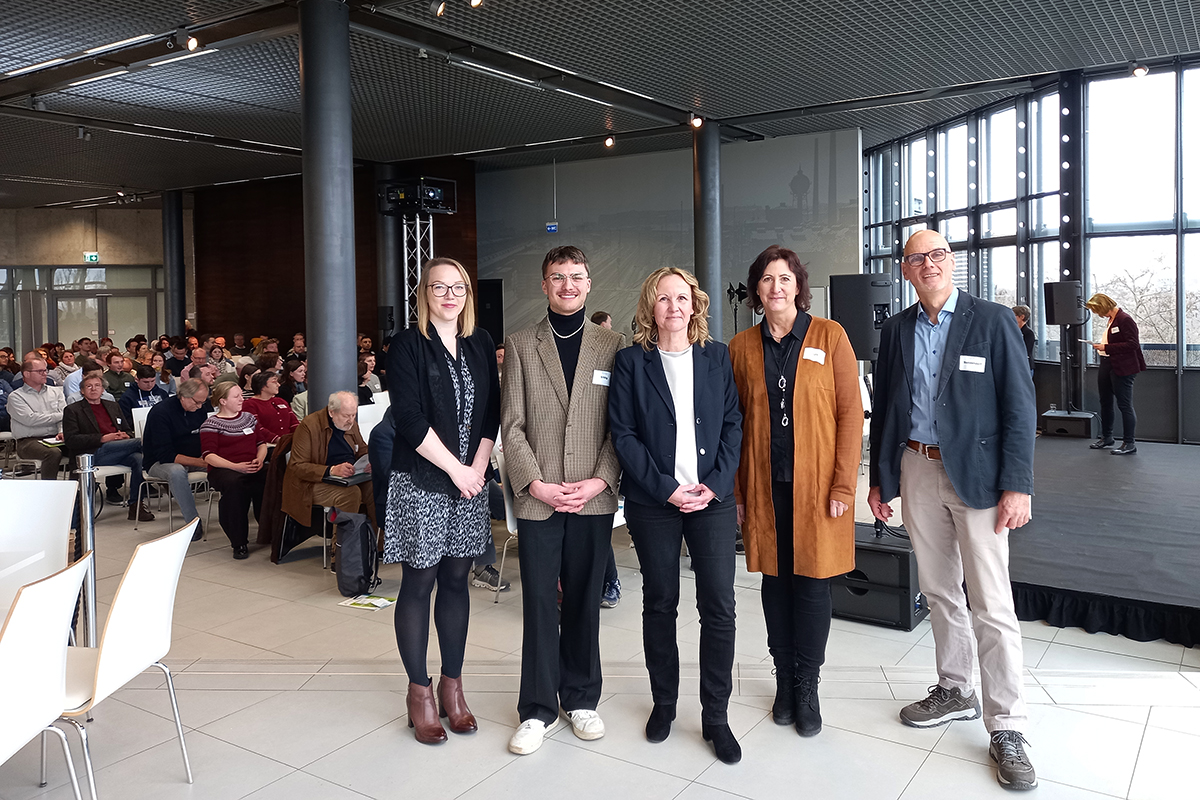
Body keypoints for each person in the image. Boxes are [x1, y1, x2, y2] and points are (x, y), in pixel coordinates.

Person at [868, 229, 1037, 791]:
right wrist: (883, 480)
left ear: (951, 263)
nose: (930, 264)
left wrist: (1018, 484)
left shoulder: (990, 321)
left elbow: (1019, 406)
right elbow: (888, 410)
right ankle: (956, 687)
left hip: (981, 478)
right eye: (919, 258)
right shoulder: (895, 330)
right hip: (917, 468)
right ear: (906, 270)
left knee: (991, 602)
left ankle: (1007, 724)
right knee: (939, 590)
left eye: (938, 254)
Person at [608, 268, 743, 763]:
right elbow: (623, 434)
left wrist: (716, 485)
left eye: (681, 298)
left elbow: (733, 424)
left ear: (695, 305)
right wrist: (666, 489)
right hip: (653, 503)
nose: (673, 306)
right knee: (661, 602)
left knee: (719, 607)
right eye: (663, 298)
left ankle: (716, 716)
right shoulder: (630, 362)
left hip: (712, 501)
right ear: (651, 306)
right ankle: (664, 704)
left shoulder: (717, 356)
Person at [729, 245, 862, 738]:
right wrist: (739, 492)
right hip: (765, 486)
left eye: (785, 278)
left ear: (799, 286)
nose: (776, 287)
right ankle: (783, 680)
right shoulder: (741, 347)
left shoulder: (830, 335)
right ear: (756, 290)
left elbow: (850, 415)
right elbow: (735, 425)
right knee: (774, 582)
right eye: (766, 279)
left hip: (818, 488)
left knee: (811, 584)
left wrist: (844, 484)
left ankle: (808, 685)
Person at [501, 245, 624, 755]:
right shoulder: (522, 344)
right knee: (537, 603)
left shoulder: (614, 345)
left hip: (593, 497)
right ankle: (536, 709)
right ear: (544, 284)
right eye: (558, 277)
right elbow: (512, 426)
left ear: (589, 283)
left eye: (576, 277)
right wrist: (536, 484)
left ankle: (580, 698)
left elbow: (623, 426)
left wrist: (600, 480)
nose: (567, 285)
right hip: (539, 498)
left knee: (582, 602)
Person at [384, 257, 500, 745]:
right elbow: (408, 418)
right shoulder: (408, 345)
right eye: (439, 287)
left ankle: (453, 686)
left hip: (469, 481)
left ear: (468, 293)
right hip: (422, 482)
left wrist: (477, 466)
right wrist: (457, 470)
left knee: (457, 580)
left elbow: (493, 410)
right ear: (424, 294)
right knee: (420, 581)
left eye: (458, 287)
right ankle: (420, 692)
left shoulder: (479, 341)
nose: (450, 295)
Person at [281, 391, 375, 538]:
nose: (351, 420)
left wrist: (370, 461)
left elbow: (362, 449)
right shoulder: (309, 426)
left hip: (349, 476)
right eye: (346, 416)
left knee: (378, 486)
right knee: (350, 494)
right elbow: (297, 466)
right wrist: (331, 470)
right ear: (332, 412)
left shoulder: (351, 424)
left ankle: (376, 545)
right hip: (312, 483)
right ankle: (342, 552)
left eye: (353, 415)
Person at [63, 373, 154, 521]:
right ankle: (163, 456)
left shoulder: (112, 405)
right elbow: (71, 440)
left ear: (103, 389)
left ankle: (136, 506)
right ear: (82, 391)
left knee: (138, 458)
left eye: (97, 386)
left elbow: (128, 429)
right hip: (94, 453)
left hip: (119, 448)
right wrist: (103, 438)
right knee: (141, 443)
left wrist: (125, 435)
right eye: (89, 386)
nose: (93, 389)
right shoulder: (73, 410)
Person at [201, 382, 271, 559]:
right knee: (235, 486)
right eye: (236, 396)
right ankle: (239, 541)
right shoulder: (211, 424)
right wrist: (236, 466)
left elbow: (261, 444)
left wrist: (260, 459)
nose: (242, 399)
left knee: (273, 476)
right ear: (223, 401)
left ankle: (270, 530)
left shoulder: (249, 418)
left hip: (251, 464)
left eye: (241, 395)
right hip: (224, 468)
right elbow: (209, 456)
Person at [143, 378, 212, 540]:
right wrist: (201, 462)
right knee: (176, 472)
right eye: (197, 402)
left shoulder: (199, 408)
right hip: (159, 462)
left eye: (203, 402)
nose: (200, 406)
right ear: (184, 397)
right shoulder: (161, 413)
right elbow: (165, 454)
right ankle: (193, 522)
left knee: (224, 465)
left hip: (194, 457)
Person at [1085, 292, 1145, 455]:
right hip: (1107, 363)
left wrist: (1106, 348)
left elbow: (1133, 344)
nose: (1097, 314)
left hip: (1123, 367)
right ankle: (1107, 437)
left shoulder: (1125, 319)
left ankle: (1129, 443)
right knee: (1105, 401)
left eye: (1097, 310)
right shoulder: (1111, 321)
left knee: (1124, 405)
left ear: (1103, 306)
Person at [9, 357, 67, 479]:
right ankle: (48, 490)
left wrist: (61, 430)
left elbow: (64, 418)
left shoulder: (56, 392)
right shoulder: (16, 397)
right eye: (40, 371)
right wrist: (60, 415)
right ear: (26, 374)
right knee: (53, 453)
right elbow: (31, 420)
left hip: (55, 437)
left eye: (45, 370)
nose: (45, 373)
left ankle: (76, 488)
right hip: (28, 441)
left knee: (82, 446)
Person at [242, 370, 299, 442]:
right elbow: (256, 427)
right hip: (267, 444)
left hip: (288, 442)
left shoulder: (280, 401)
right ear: (262, 386)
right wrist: (276, 439)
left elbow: (294, 422)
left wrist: (299, 435)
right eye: (274, 382)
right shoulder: (249, 404)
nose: (278, 385)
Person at [1012, 305, 1035, 376]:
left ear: (1022, 317)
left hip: (1025, 366)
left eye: (1013, 315)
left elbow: (1025, 350)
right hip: (1015, 366)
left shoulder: (1028, 333)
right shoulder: (1013, 330)